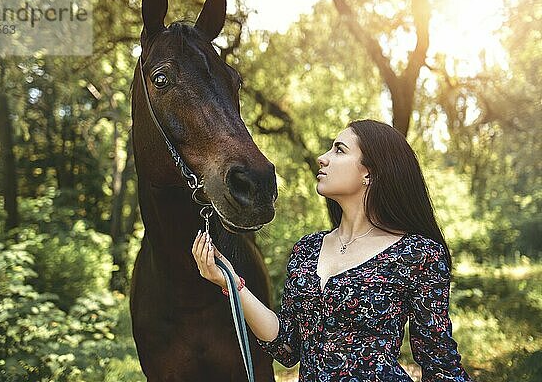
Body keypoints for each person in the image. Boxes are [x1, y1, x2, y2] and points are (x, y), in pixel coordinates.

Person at [191, 119, 473, 381]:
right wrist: (228, 280)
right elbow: (287, 348)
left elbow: (440, 363)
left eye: (339, 150)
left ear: (369, 172)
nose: (322, 157)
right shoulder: (307, 249)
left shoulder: (418, 254)